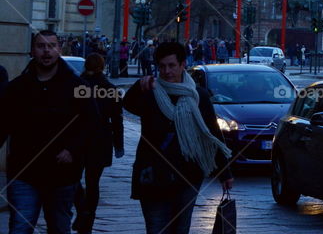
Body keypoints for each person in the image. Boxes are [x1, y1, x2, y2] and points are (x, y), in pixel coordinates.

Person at [123, 41, 233, 234]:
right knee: (156, 228)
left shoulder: (199, 96)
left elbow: (211, 133)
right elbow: (128, 104)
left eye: (172, 65)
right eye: (162, 66)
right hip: (153, 174)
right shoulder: (150, 93)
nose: (167, 71)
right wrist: (138, 86)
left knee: (181, 228)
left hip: (188, 174)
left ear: (183, 65)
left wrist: (225, 173)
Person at [0, 30, 95, 234]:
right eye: (41, 46)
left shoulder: (77, 86)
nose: (46, 51)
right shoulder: (16, 88)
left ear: (59, 50)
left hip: (61, 174)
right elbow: (2, 124)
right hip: (24, 171)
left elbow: (91, 123)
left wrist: (72, 149)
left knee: (59, 228)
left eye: (51, 46)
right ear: (33, 50)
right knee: (20, 227)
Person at [73, 54, 124, 234]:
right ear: (103, 67)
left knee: (73, 179)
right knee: (93, 182)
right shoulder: (110, 89)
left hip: (78, 139)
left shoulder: (76, 86)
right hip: (101, 140)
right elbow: (117, 120)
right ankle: (88, 218)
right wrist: (119, 144)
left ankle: (82, 211)